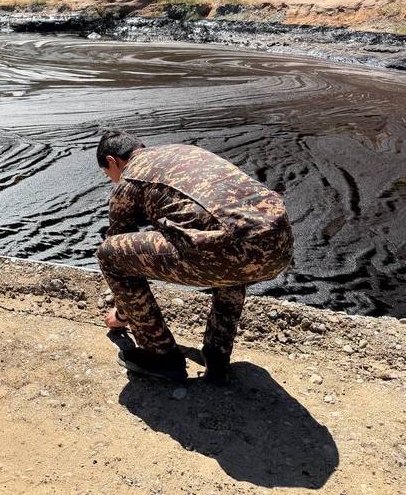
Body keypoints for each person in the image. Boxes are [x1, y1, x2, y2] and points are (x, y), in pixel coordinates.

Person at [95, 130, 293, 384]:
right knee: (225, 242)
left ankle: (160, 356)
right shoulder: (183, 151)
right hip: (279, 244)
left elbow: (120, 253)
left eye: (107, 174)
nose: (111, 180)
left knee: (108, 254)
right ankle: (217, 356)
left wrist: (122, 316)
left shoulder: (130, 178)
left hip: (232, 249)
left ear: (113, 161)